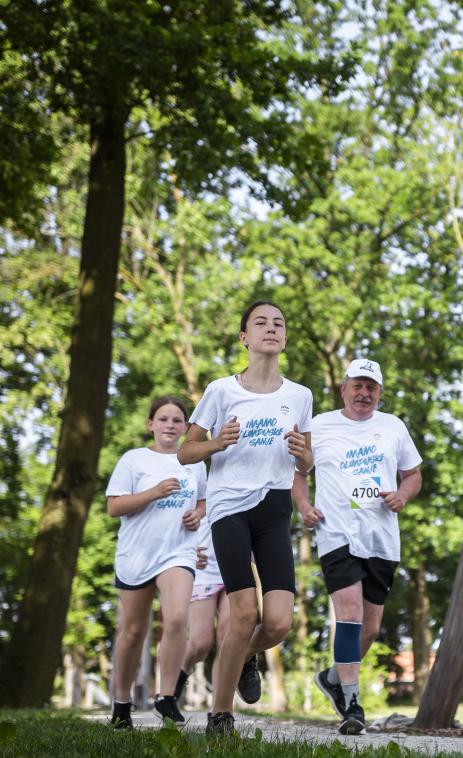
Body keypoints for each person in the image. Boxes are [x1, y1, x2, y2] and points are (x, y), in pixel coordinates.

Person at [179, 300, 313, 737]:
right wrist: (216, 444)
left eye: (279, 323)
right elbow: (186, 451)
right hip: (229, 508)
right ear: (245, 338)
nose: (271, 328)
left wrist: (303, 456)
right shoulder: (221, 390)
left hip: (274, 509)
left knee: (276, 622)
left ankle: (242, 657)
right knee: (241, 613)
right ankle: (221, 716)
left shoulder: (300, 396)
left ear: (285, 339)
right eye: (261, 323)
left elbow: (307, 464)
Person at [296, 358, 422, 735]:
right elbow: (298, 475)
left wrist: (401, 495)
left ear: (379, 393)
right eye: (357, 386)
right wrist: (303, 506)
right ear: (344, 389)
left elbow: (413, 475)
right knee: (348, 613)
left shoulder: (393, 427)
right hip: (336, 532)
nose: (364, 393)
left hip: (381, 538)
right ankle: (352, 705)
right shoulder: (318, 426)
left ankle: (334, 677)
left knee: (370, 628)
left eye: (371, 387)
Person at [106, 396, 207, 728]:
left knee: (178, 618)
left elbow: (205, 501)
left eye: (177, 420)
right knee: (133, 632)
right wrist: (153, 492)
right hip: (137, 554)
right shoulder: (134, 460)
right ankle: (122, 704)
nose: (170, 426)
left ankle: (165, 698)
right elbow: (115, 507)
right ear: (151, 424)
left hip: (177, 551)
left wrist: (197, 514)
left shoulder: (194, 462)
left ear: (185, 427)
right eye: (163, 419)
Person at [174, 512, 229, 709]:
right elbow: (171, 520)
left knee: (228, 640)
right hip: (203, 572)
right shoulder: (198, 484)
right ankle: (178, 675)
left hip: (234, 568)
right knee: (200, 644)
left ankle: (219, 709)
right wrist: (186, 551)